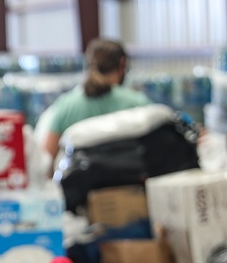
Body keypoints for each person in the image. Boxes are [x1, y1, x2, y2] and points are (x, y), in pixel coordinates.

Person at [37, 38, 151, 172]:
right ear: (122, 64)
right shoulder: (140, 105)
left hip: (80, 189)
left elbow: (46, 163)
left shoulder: (66, 106)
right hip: (129, 188)